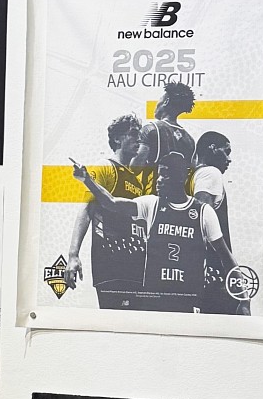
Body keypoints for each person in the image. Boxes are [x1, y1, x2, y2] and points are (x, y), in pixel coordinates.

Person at [74, 147, 232, 313]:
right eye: (159, 174)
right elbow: (112, 203)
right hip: (155, 300)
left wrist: (242, 298)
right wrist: (87, 181)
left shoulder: (203, 212)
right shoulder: (152, 204)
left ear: (180, 178)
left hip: (188, 300)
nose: (158, 180)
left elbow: (226, 257)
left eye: (164, 174)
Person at [60, 114, 156, 309]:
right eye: (132, 134)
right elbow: (86, 209)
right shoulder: (105, 166)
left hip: (135, 265)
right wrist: (73, 255)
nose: (138, 139)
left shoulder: (136, 180)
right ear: (117, 139)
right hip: (111, 264)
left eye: (139, 134)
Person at [190, 130, 248, 315]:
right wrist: (243, 294)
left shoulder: (191, 177)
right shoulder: (210, 173)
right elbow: (203, 218)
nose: (229, 159)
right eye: (226, 151)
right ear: (212, 149)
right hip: (216, 275)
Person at [136, 81, 197, 179]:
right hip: (178, 193)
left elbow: (134, 168)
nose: (156, 104)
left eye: (159, 99)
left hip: (154, 192)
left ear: (166, 101)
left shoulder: (151, 129)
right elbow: (190, 177)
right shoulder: (190, 141)